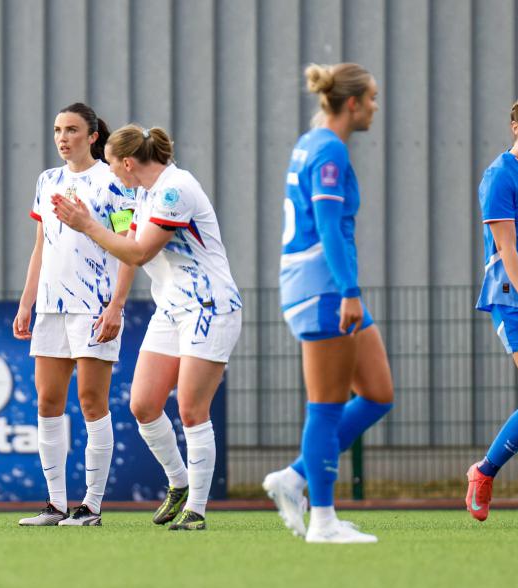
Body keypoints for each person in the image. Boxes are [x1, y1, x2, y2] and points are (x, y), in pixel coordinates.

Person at [52, 124, 242, 530]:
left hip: (208, 306)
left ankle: (197, 510)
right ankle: (179, 483)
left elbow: (138, 252)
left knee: (191, 410)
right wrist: (114, 297)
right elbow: (126, 244)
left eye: (110, 164)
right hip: (171, 308)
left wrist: (87, 225)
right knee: (143, 405)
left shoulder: (175, 190)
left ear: (127, 163)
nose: (109, 172)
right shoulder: (141, 193)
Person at [263, 63, 392, 544]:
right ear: (352, 103)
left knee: (378, 393)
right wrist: (349, 292)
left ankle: (294, 477)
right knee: (326, 406)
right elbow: (329, 225)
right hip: (322, 289)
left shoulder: (312, 141)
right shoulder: (329, 149)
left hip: (321, 286)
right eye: (372, 98)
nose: (375, 107)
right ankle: (322, 520)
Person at [13, 103, 136, 527]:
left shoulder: (113, 181)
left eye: (71, 130)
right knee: (48, 402)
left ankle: (92, 506)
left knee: (91, 402)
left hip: (95, 306)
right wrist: (27, 302)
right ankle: (55, 504)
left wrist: (116, 305)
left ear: (93, 136)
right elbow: (41, 245)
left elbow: (129, 247)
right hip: (51, 307)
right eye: (57, 130)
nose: (63, 138)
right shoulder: (47, 180)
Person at [467, 93, 518, 529]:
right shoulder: (500, 175)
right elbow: (507, 249)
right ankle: (484, 471)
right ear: (516, 127)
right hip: (517, 299)